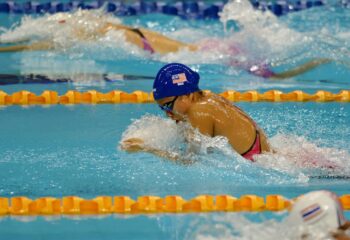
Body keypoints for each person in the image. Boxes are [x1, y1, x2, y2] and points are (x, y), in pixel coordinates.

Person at [0, 10, 331, 79]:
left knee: (44, 39)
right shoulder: (235, 61)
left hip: (134, 33)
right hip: (136, 42)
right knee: (46, 45)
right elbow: (284, 75)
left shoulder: (219, 48)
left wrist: (319, 60)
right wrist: (319, 62)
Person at [121, 62, 271, 162]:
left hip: (262, 167)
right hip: (267, 159)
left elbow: (192, 162)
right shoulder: (207, 98)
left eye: (168, 106)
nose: (167, 113)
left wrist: (147, 148)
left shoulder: (199, 111)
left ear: (187, 95)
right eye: (162, 108)